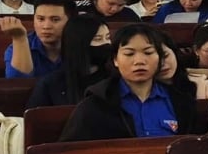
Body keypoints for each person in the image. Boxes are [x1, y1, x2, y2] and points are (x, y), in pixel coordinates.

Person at [60, 24, 196, 141]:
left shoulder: (181, 102)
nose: (139, 61)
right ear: (115, 60)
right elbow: (70, 153)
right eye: (129, 54)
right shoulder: (94, 105)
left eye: (148, 53)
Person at [27, 14, 111, 108]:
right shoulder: (51, 84)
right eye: (98, 39)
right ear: (78, 44)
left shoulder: (115, 79)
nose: (106, 43)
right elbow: (35, 115)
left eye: (108, 38)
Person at [1, 0, 76, 79]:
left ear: (71, 21)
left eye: (55, 20)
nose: (46, 26)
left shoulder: (81, 44)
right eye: (41, 19)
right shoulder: (17, 47)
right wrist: (20, 39)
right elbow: (17, 84)